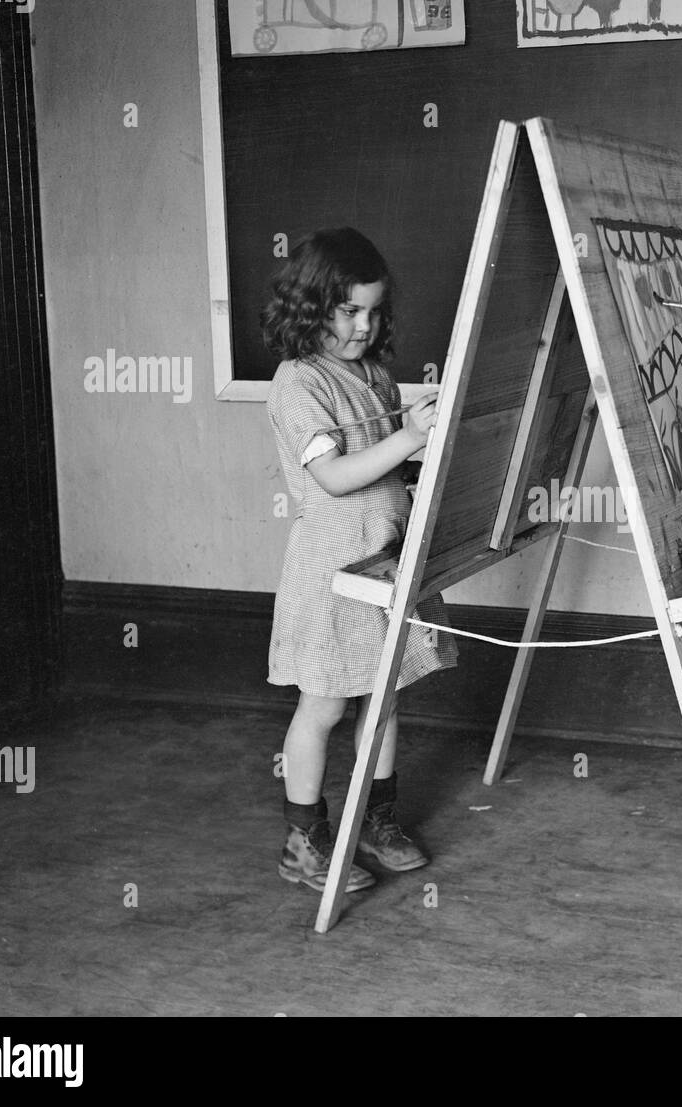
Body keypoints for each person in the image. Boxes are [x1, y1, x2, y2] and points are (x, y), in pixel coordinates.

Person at [260, 227, 457, 893]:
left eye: (374, 311)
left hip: (383, 564)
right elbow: (337, 477)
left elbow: (393, 463)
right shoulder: (297, 382)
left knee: (386, 697)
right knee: (324, 707)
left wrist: (427, 435)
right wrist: (407, 435)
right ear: (311, 305)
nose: (364, 326)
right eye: (348, 311)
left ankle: (376, 820)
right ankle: (304, 839)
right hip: (331, 574)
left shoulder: (372, 373)